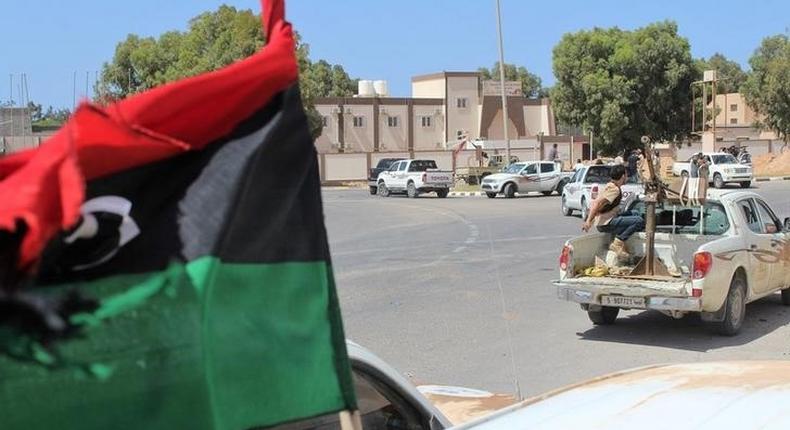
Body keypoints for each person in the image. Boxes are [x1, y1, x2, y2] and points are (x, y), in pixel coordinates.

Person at [582, 165, 644, 259]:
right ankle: (618, 242)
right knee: (639, 220)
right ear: (623, 176)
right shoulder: (614, 189)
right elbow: (596, 204)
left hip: (608, 220)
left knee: (635, 213)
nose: (627, 177)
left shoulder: (610, 185)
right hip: (606, 223)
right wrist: (588, 221)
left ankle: (619, 239)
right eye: (626, 175)